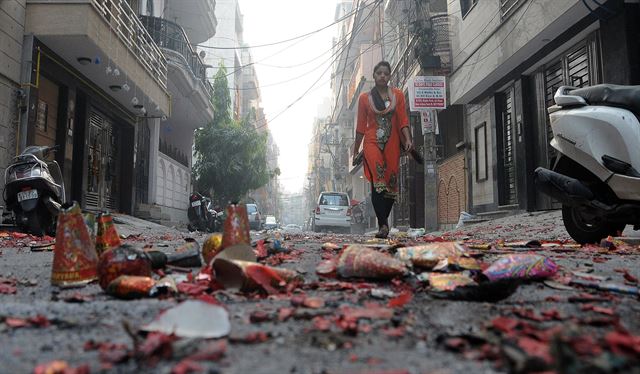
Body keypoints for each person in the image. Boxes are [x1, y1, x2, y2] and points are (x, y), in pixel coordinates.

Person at [352, 61, 413, 239]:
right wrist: (356, 150)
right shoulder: (365, 98)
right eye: (379, 73)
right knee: (378, 182)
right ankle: (383, 225)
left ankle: (383, 220)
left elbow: (403, 120)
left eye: (386, 73)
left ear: (389, 76)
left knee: (391, 184)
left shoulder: (398, 96)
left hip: (392, 142)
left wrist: (408, 139)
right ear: (374, 75)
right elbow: (361, 127)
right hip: (372, 142)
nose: (382, 76)